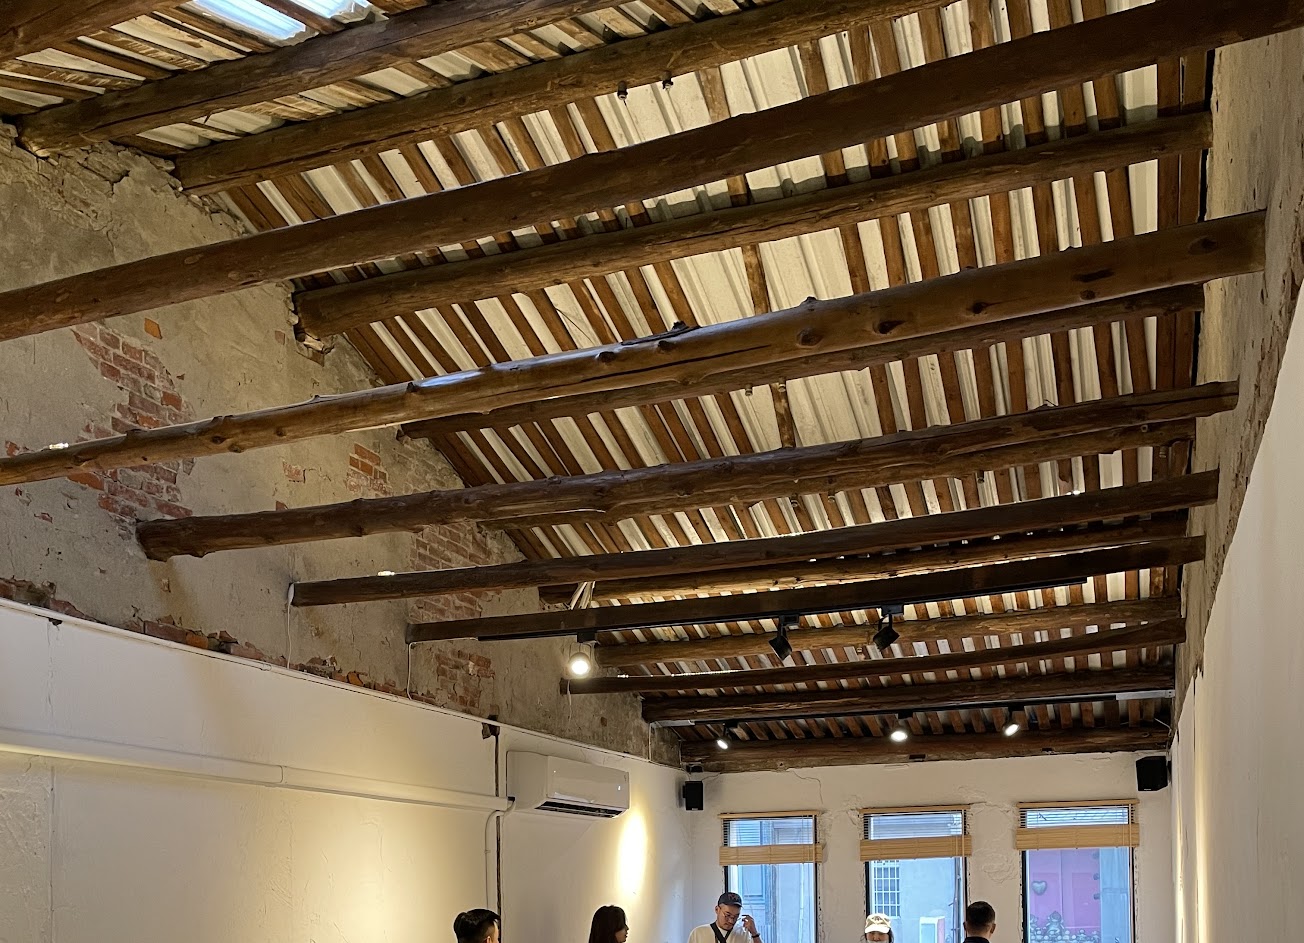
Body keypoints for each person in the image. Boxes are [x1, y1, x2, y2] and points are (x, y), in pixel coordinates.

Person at [687, 892, 763, 943]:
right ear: (717, 909)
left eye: (736, 916)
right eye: (727, 915)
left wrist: (754, 933)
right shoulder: (698, 933)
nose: (731, 921)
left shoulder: (743, 934)